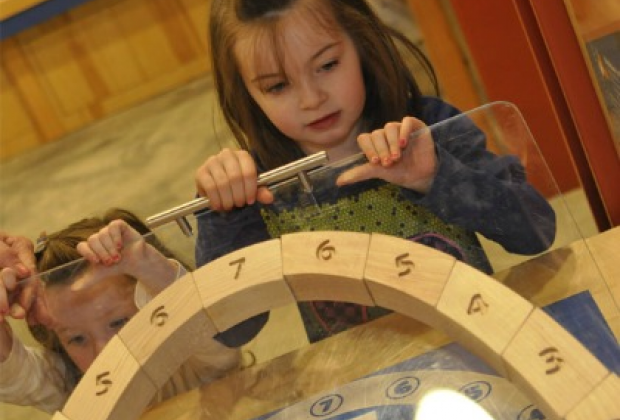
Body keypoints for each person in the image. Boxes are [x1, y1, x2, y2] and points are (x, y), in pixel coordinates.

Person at [194, 0, 556, 345]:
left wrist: (437, 176)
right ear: (246, 94)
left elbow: (536, 231)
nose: (311, 99)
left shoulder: (429, 127)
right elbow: (230, 332)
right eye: (277, 86)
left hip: (477, 343)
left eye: (328, 65)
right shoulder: (260, 187)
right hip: (366, 378)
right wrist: (223, 213)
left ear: (362, 42)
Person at [0, 209, 240, 414]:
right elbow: (21, 377)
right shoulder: (76, 387)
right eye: (77, 339)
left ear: (153, 303)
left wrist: (155, 271)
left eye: (118, 322)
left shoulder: (199, 362)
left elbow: (216, 334)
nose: (104, 352)